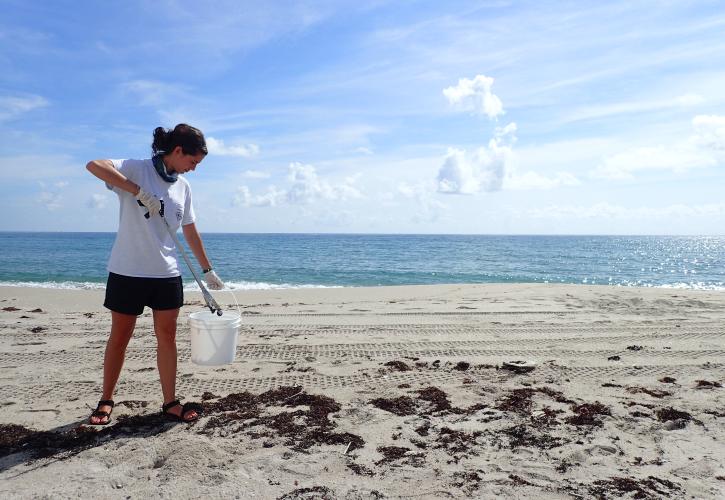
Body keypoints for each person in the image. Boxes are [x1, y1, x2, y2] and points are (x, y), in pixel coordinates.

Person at [86, 123, 224, 425]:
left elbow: (190, 231)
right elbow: (94, 165)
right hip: (127, 270)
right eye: (192, 162)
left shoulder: (183, 187)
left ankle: (170, 402)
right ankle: (106, 399)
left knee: (167, 338)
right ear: (177, 151)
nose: (193, 169)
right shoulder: (137, 169)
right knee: (120, 336)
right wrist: (138, 191)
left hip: (166, 274)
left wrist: (208, 269)